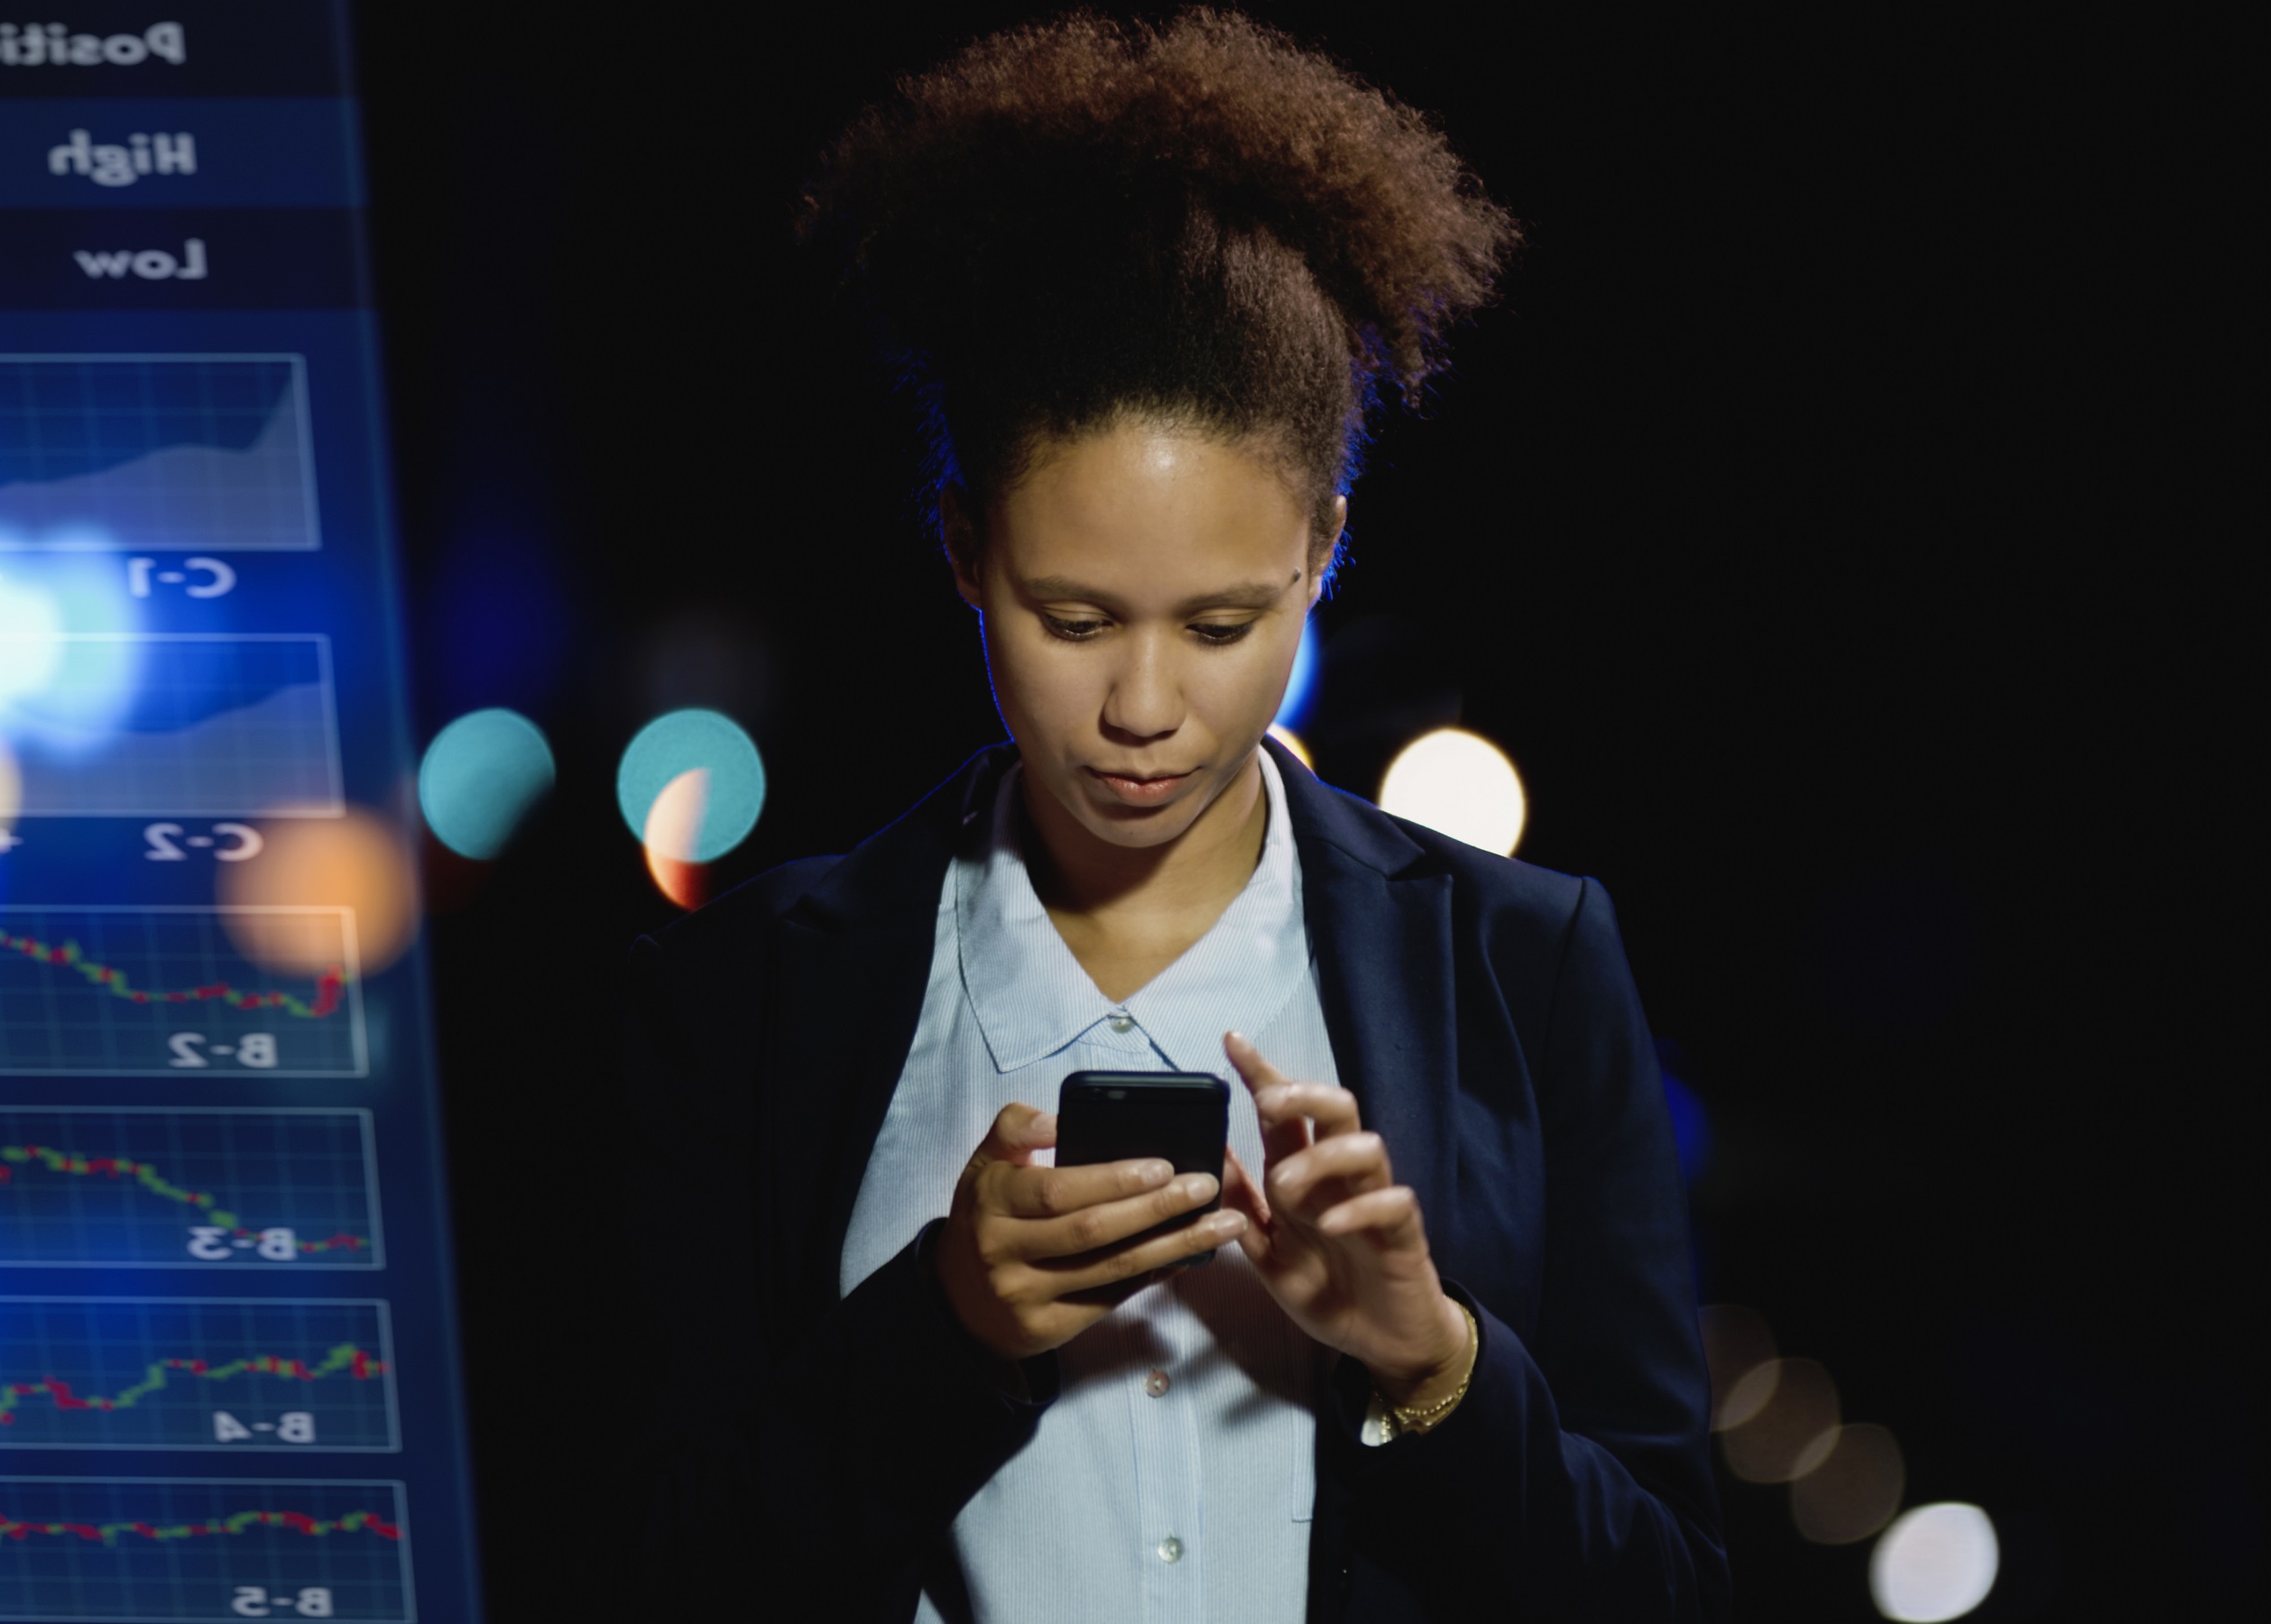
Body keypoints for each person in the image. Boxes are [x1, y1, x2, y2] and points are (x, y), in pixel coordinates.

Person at [623, 11, 1723, 1619]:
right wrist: (948, 1327)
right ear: (961, 550)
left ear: (1323, 553)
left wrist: (1434, 1364)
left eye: (1222, 628)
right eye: (1072, 619)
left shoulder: (1526, 964)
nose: (1145, 710)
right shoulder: (764, 984)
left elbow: (1669, 1594)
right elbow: (657, 1566)